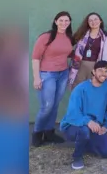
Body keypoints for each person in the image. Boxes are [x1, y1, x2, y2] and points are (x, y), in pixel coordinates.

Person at [59, 60, 107, 170]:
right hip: (74, 125)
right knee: (84, 131)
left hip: (95, 127)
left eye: (106, 71)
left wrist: (105, 126)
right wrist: (88, 122)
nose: (103, 74)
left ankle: (85, 142)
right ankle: (77, 157)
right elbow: (73, 113)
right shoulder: (81, 88)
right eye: (100, 70)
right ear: (93, 71)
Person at [31, 11, 75, 147]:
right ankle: (37, 133)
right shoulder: (46, 37)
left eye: (66, 21)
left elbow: (66, 54)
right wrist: (36, 78)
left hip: (63, 73)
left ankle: (49, 132)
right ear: (55, 21)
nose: (64, 23)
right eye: (61, 20)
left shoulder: (68, 37)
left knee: (55, 105)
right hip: (47, 74)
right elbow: (35, 58)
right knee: (47, 106)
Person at [71, 12, 106, 88]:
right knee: (78, 88)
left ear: (100, 21)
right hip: (80, 66)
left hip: (95, 67)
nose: (93, 22)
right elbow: (68, 44)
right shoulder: (81, 34)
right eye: (91, 20)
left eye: (96, 19)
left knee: (92, 88)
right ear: (88, 23)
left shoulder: (105, 37)